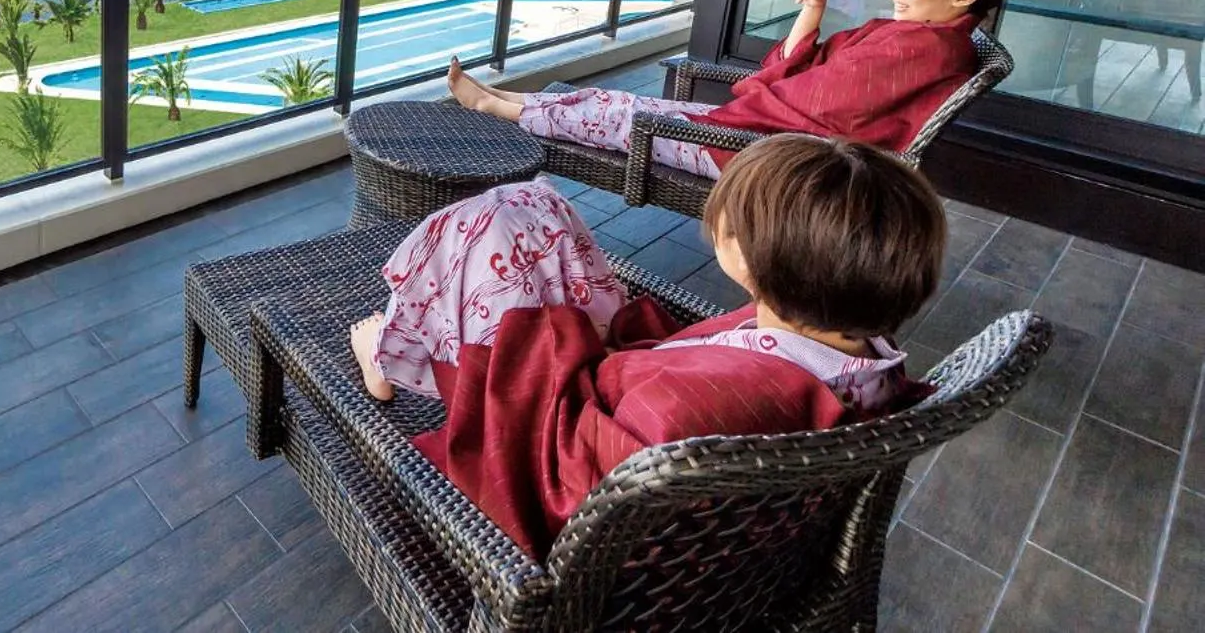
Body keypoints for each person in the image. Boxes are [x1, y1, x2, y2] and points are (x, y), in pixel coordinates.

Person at [346, 135, 941, 553]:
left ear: (756, 263)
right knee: (534, 207)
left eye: (731, 223)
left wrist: (555, 341)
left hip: (576, 460)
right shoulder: (863, 353)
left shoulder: (688, 413)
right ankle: (406, 340)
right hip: (652, 409)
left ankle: (390, 355)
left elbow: (568, 477)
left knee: (495, 222)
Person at [447, 0, 1002, 177]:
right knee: (618, 99)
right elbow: (818, 80)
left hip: (765, 155)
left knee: (620, 117)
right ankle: (514, 99)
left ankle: (501, 110)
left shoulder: (923, 48)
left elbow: (827, 105)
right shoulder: (919, 37)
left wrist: (753, 96)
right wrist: (811, 17)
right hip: (761, 131)